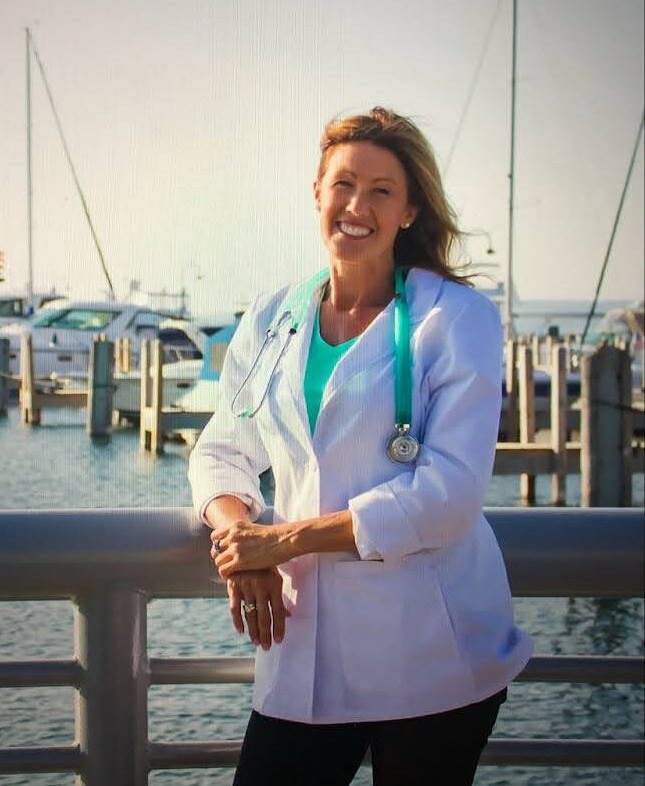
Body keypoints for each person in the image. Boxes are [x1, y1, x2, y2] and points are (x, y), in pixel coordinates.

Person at [188, 107, 532, 786]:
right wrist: (240, 542)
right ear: (317, 193)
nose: (357, 206)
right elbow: (221, 450)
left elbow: (448, 496)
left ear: (409, 212)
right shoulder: (271, 317)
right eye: (343, 184)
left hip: (433, 656)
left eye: (382, 191)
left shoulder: (454, 319)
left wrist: (284, 544)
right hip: (301, 646)